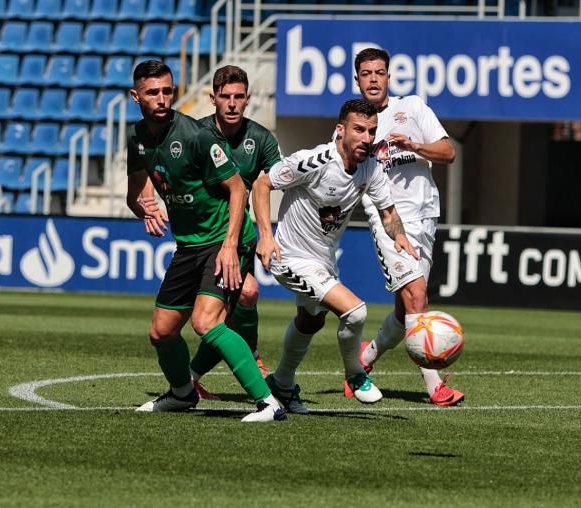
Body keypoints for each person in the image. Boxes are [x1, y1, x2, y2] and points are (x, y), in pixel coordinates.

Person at [125, 60, 285, 422]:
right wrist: (143, 209)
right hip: (188, 245)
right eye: (153, 92)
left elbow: (238, 188)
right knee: (161, 332)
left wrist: (231, 246)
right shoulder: (136, 138)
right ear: (136, 96)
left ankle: (269, 404)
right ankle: (182, 394)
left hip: (223, 241)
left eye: (168, 91)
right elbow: (135, 195)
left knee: (206, 322)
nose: (163, 98)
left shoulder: (196, 136)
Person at [251, 99, 419, 413]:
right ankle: (355, 374)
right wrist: (266, 236)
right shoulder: (313, 161)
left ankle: (282, 383)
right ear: (340, 131)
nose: (367, 138)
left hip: (324, 260)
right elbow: (262, 184)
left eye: (371, 131)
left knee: (310, 320)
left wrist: (401, 238)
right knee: (355, 312)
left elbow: (389, 212)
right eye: (359, 129)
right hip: (289, 257)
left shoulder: (371, 168)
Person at [352, 47, 464, 406]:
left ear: (388, 76)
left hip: (425, 215)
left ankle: (362, 362)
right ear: (357, 80)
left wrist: (413, 145)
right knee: (417, 297)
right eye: (366, 73)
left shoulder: (412, 108)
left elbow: (448, 152)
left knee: (406, 311)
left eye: (379, 72)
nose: (373, 79)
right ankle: (436, 387)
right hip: (388, 220)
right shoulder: (357, 125)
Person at [186, 65, 283, 400]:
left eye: (238, 97)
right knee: (213, 315)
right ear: (212, 98)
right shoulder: (195, 135)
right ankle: (192, 377)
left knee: (246, 295)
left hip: (236, 238)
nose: (231, 103)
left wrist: (267, 234)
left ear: (248, 100)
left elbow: (267, 185)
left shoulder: (261, 139)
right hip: (203, 237)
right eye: (224, 96)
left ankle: (192, 377)